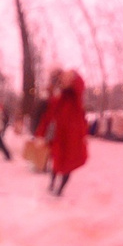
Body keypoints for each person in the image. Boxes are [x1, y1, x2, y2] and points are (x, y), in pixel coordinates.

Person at [34, 69, 91, 197]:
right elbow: (47, 117)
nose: (62, 82)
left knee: (68, 164)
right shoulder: (57, 99)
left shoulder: (75, 97)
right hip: (60, 137)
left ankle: (59, 190)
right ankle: (52, 184)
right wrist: (40, 134)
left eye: (64, 80)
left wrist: (73, 76)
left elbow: (79, 85)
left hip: (73, 138)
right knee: (56, 161)